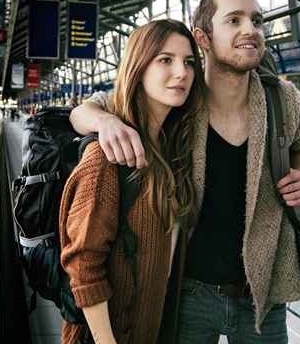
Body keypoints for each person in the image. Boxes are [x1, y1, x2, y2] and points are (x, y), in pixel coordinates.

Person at [69, 0, 300, 343]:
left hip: (264, 295)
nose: (250, 30)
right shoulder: (178, 98)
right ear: (202, 36)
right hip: (188, 293)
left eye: (257, 20)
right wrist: (105, 122)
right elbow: (85, 110)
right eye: (234, 20)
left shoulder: (279, 98)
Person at [60, 19, 206, 344]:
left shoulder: (172, 153)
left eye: (189, 62)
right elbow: (83, 264)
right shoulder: (108, 157)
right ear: (139, 67)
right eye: (165, 60)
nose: (182, 72)